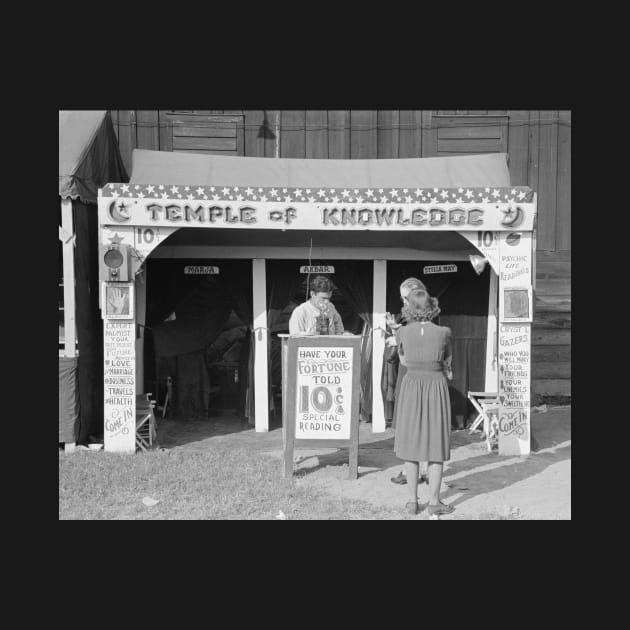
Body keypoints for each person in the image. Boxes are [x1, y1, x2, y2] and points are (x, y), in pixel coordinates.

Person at [392, 287, 454, 516]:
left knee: (411, 446)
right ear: (432, 308)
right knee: (435, 446)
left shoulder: (403, 333)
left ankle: (412, 502)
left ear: (409, 309)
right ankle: (435, 503)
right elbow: (448, 362)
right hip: (435, 386)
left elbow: (404, 360)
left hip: (411, 387)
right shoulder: (444, 332)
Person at [386, 278, 429, 486]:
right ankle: (424, 469)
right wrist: (396, 330)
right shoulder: (421, 315)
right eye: (402, 297)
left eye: (406, 297)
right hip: (423, 374)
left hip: (413, 373)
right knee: (420, 422)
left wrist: (398, 339)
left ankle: (411, 471)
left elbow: (414, 349)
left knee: (410, 423)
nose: (403, 301)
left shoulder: (418, 317)